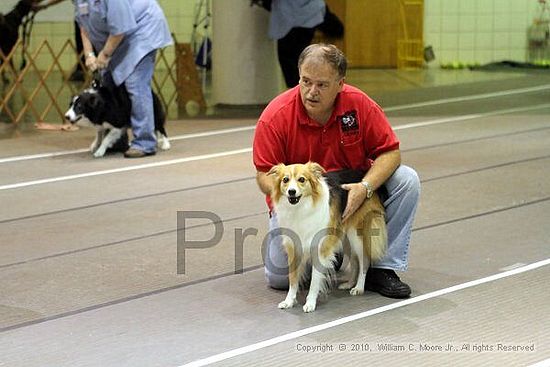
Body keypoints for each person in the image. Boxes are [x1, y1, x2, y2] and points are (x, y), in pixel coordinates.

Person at [253, 43, 420, 299]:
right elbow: (264, 173)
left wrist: (365, 188)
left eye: (322, 85)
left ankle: (383, 267)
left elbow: (391, 153)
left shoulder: (360, 105)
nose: (311, 92)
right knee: (278, 278)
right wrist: (286, 191)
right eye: (305, 82)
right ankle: (337, 247)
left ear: (341, 83)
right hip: (300, 204)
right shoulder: (275, 117)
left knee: (407, 180)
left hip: (351, 192)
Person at [74, 0, 172, 158]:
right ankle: (117, 139)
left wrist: (105, 54)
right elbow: (83, 24)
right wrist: (88, 54)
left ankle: (144, 142)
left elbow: (120, 28)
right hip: (116, 39)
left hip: (142, 30)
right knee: (109, 85)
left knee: (135, 84)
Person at [268, 0, 326, 88]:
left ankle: (299, 92)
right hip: (309, 13)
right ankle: (301, 91)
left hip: (298, 17)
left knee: (292, 60)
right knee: (299, 59)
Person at [32, 0, 86, 81]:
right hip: (83, 15)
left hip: (85, 15)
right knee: (80, 44)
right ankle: (82, 69)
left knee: (83, 43)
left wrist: (44, 5)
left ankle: (82, 70)